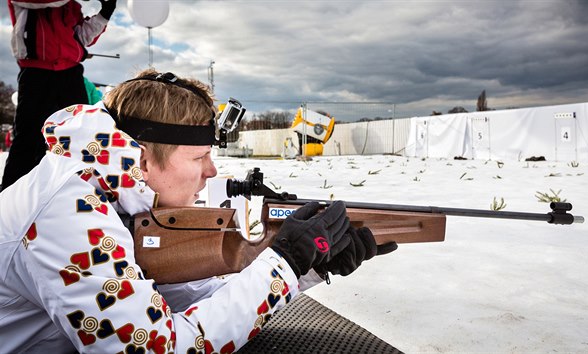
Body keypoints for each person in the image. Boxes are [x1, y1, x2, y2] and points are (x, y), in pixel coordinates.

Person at [0, 69, 395, 352]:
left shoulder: (104, 189)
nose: (212, 170)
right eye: (199, 156)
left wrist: (308, 268)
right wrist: (284, 265)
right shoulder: (69, 214)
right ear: (142, 157)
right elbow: (159, 346)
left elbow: (172, 301)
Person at [1, 0, 117, 191]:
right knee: (29, 137)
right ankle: (12, 195)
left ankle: (82, 192)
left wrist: (104, 14)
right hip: (36, 72)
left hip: (70, 73)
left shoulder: (70, 5)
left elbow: (81, 37)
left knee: (80, 135)